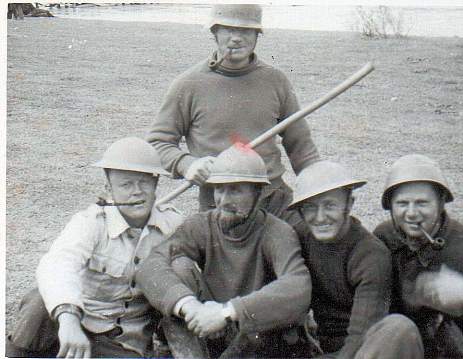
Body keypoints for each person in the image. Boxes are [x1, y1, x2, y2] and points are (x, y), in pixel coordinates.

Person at [6, 137, 184, 358]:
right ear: (109, 190)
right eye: (126, 184)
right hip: (76, 323)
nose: (137, 192)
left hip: (122, 341)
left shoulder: (172, 226)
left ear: (156, 185)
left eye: (144, 182)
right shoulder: (91, 222)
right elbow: (57, 264)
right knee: (39, 303)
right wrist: (68, 318)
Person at [136, 143, 313, 358]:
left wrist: (227, 312)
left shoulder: (277, 232)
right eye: (219, 189)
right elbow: (151, 265)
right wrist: (189, 306)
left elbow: (298, 286)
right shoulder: (200, 225)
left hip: (255, 338)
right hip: (206, 329)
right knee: (178, 265)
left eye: (236, 190)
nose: (224, 200)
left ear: (258, 193)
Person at [147, 4, 320, 217]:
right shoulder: (189, 84)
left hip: (273, 200)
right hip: (219, 202)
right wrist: (187, 164)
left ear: (257, 35)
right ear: (214, 33)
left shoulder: (276, 80)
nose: (236, 38)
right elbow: (157, 144)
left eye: (246, 30)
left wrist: (319, 186)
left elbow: (301, 145)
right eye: (229, 29)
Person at [287, 160, 424, 359]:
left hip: (363, 351)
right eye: (310, 208)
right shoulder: (300, 236)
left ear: (349, 204)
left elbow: (361, 335)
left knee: (398, 328)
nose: (320, 217)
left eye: (330, 206)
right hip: (320, 346)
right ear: (300, 212)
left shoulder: (370, 255)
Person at [374, 154, 463, 359]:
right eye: (402, 203)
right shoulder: (384, 237)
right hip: (413, 343)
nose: (411, 213)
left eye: (422, 203)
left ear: (441, 204)